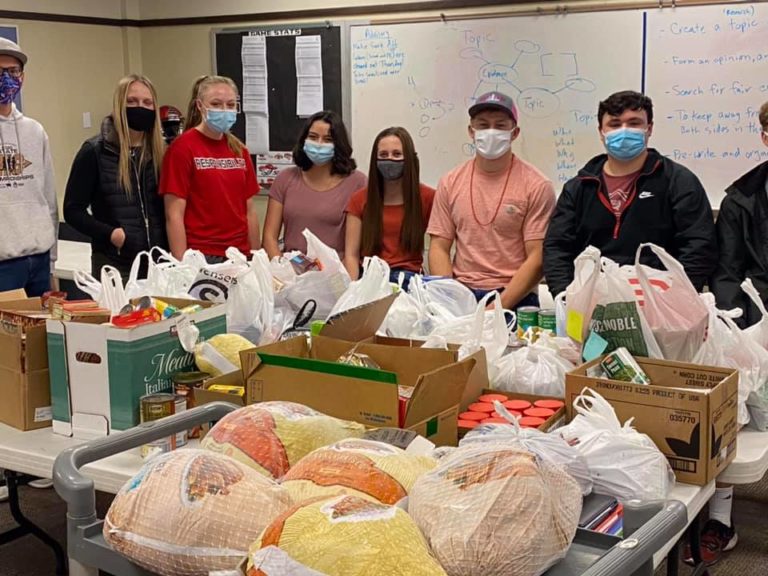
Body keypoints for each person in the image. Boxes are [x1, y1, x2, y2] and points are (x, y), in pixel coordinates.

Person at [543, 90, 717, 299]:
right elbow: (557, 248)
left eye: (634, 123)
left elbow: (699, 246)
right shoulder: (579, 187)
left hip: (661, 305)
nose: (624, 131)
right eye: (615, 125)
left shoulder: (678, 181)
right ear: (601, 131)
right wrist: (566, 298)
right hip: (591, 304)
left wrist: (674, 300)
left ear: (649, 128)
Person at [697, 102, 768, 566]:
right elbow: (726, 272)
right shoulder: (742, 197)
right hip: (759, 320)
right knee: (732, 402)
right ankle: (721, 519)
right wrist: (742, 324)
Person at [427, 91, 556, 309]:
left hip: (515, 297)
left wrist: (498, 307)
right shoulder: (450, 182)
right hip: (462, 293)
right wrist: (450, 297)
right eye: (483, 125)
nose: (491, 132)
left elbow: (537, 257)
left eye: (500, 126)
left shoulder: (537, 185)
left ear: (514, 133)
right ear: (471, 131)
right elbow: (439, 246)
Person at [64, 74, 167, 279]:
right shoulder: (95, 151)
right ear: (119, 105)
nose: (140, 107)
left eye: (147, 102)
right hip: (116, 265)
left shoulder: (161, 153)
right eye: (132, 101)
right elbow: (72, 210)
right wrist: (112, 234)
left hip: (160, 264)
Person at [161, 75, 260, 262]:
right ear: (200, 106)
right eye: (216, 104)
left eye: (230, 105)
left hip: (240, 254)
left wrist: (256, 256)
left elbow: (250, 211)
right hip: (202, 255)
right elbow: (174, 215)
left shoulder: (239, 149)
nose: (224, 110)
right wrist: (183, 265)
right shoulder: (182, 148)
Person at [262, 110, 366, 259]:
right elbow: (269, 238)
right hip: (291, 270)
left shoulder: (357, 182)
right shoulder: (285, 178)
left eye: (327, 139)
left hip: (334, 273)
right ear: (304, 140)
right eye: (313, 137)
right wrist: (282, 271)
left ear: (338, 144)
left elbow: (354, 252)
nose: (319, 144)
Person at [0, 38, 58, 296]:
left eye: (13, 72)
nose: (7, 79)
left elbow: (49, 199)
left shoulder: (35, 131)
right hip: (3, 264)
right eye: (0, 72)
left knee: (41, 335)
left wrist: (53, 262)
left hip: (39, 260)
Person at [344, 126, 434, 288]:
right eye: (383, 155)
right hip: (369, 278)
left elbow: (439, 247)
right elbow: (351, 254)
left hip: (409, 280)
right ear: (375, 160)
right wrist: (352, 291)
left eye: (397, 154)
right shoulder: (359, 199)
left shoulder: (428, 198)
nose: (390, 159)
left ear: (409, 158)